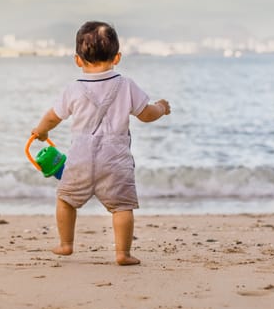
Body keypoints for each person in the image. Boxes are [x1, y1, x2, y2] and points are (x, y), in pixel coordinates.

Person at [32, 21, 171, 265]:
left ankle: (66, 244)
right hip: (115, 158)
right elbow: (146, 115)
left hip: (81, 157)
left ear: (77, 60)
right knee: (122, 206)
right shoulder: (126, 85)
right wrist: (161, 107)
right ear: (117, 57)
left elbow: (54, 116)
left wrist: (42, 132)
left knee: (65, 199)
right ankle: (123, 253)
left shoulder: (73, 89)